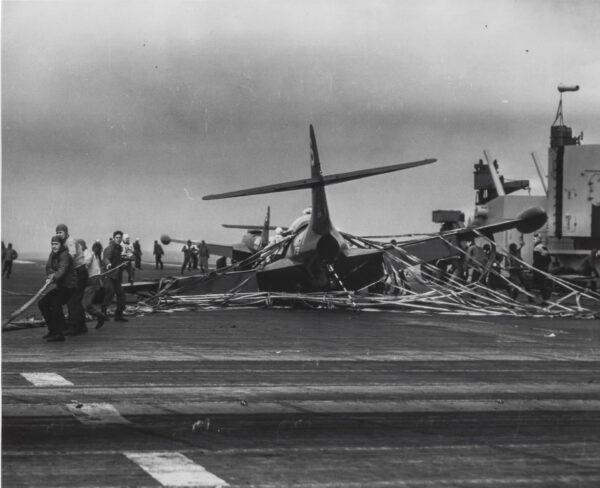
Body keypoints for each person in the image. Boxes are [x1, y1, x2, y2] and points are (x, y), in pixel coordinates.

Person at [38, 235, 77, 342]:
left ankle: (58, 334)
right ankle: (52, 331)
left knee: (55, 305)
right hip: (61, 286)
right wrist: (51, 275)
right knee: (42, 303)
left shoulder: (65, 255)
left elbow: (62, 270)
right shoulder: (53, 254)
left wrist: (53, 277)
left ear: (61, 245)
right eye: (52, 244)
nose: (54, 246)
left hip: (69, 287)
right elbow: (48, 267)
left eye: (56, 244)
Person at [55, 224, 87, 335]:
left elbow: (71, 255)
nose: (59, 234)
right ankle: (82, 326)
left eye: (61, 232)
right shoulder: (64, 242)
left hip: (79, 272)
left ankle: (74, 327)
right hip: (77, 272)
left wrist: (61, 269)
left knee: (73, 300)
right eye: (57, 232)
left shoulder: (70, 241)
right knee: (76, 300)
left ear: (66, 232)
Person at [82, 240, 108, 329]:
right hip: (91, 282)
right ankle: (81, 325)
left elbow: (85, 266)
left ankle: (100, 316)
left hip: (91, 282)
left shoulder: (88, 254)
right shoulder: (94, 256)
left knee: (86, 305)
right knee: (82, 304)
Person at [103, 230, 128, 322]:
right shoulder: (110, 248)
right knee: (110, 294)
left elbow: (118, 260)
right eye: (117, 237)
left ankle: (118, 316)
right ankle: (103, 313)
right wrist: (108, 263)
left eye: (120, 238)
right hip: (109, 275)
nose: (118, 239)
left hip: (116, 276)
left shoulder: (119, 248)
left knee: (121, 295)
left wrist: (123, 263)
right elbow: (106, 258)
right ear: (113, 238)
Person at [532, 235, 552, 300]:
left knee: (539, 285)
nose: (533, 240)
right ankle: (544, 299)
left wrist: (535, 267)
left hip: (539, 269)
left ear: (538, 239)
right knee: (543, 285)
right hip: (544, 269)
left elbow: (536, 259)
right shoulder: (543, 247)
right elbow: (549, 260)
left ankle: (540, 300)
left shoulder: (537, 248)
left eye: (534, 239)